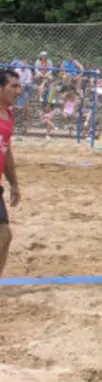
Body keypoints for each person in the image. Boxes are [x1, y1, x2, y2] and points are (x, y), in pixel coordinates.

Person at [0, 69, 21, 277]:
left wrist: (14, 184)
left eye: (19, 86)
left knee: (5, 236)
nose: (18, 90)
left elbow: (6, 152)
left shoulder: (8, 116)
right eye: (13, 86)